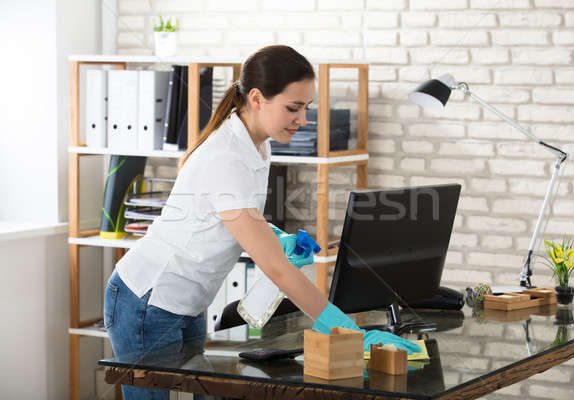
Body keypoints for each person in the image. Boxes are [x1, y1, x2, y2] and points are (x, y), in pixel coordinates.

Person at [104, 45, 419, 399]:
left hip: (189, 300)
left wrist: (275, 236)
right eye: (293, 108)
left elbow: (233, 215)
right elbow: (276, 270)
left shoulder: (259, 145)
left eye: (306, 108)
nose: (302, 120)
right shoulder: (226, 156)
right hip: (147, 299)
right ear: (257, 98)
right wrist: (344, 329)